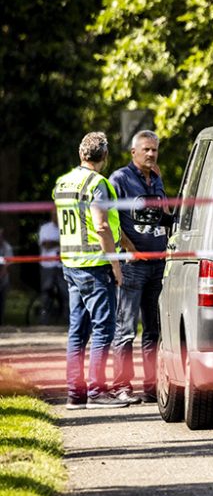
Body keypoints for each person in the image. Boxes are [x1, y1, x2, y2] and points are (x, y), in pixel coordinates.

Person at [53, 131, 129, 409]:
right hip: (96, 265)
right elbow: (101, 226)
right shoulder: (98, 183)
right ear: (104, 157)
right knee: (103, 329)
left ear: (81, 154)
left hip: (71, 264)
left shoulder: (63, 182)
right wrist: (116, 264)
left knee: (77, 331)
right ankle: (97, 391)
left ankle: (76, 394)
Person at [109, 130, 172, 405]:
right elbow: (110, 220)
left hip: (158, 264)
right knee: (125, 329)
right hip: (133, 265)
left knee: (154, 330)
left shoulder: (157, 178)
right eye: (145, 149)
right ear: (133, 152)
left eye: (154, 150)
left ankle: (150, 386)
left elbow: (166, 214)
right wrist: (129, 249)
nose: (150, 154)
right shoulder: (120, 179)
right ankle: (121, 386)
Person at [39, 210, 69, 320]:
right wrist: (60, 243)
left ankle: (68, 319)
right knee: (46, 292)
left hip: (63, 265)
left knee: (66, 293)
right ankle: (45, 318)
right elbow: (45, 245)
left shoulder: (67, 226)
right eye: (55, 214)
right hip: (48, 265)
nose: (57, 216)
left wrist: (54, 242)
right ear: (51, 215)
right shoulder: (45, 228)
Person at [0, 228, 12, 325]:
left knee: (2, 301)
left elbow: (7, 266)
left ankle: (1, 322)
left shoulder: (7, 247)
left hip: (3, 279)